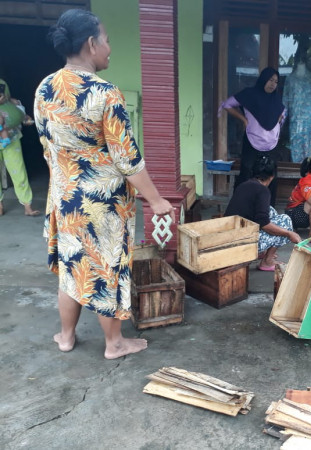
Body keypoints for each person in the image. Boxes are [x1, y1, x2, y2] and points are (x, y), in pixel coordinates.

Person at [34, 9, 175, 359]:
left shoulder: (45, 87)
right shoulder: (105, 93)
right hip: (102, 203)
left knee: (72, 268)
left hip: (65, 199)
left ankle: (66, 336)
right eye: (107, 40)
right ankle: (114, 343)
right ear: (91, 43)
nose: (110, 48)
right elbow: (127, 158)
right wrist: (156, 200)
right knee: (105, 270)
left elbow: (46, 147)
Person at [221, 67, 285, 205]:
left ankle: (268, 210)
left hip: (271, 144)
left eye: (275, 81)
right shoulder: (249, 94)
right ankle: (241, 208)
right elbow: (227, 104)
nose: (273, 84)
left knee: (271, 177)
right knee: (247, 173)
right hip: (252, 140)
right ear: (263, 79)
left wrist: (279, 122)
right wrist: (243, 119)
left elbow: (282, 113)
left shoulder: (276, 98)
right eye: (270, 80)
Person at [225, 155, 301, 271]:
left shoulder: (244, 185)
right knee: (285, 221)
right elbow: (265, 224)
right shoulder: (262, 191)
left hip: (230, 236)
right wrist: (289, 233)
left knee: (270, 211)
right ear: (271, 177)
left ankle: (263, 251)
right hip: (242, 243)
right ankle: (267, 261)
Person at [0, 78, 40, 216]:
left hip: (12, 138)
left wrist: (25, 117)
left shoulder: (11, 101)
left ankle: (27, 206)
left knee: (18, 171)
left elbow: (21, 112)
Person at [282, 60, 311, 163]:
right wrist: (282, 119)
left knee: (308, 144)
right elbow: (285, 100)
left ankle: (307, 167)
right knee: (295, 143)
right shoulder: (290, 79)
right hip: (295, 118)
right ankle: (296, 166)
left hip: (309, 119)